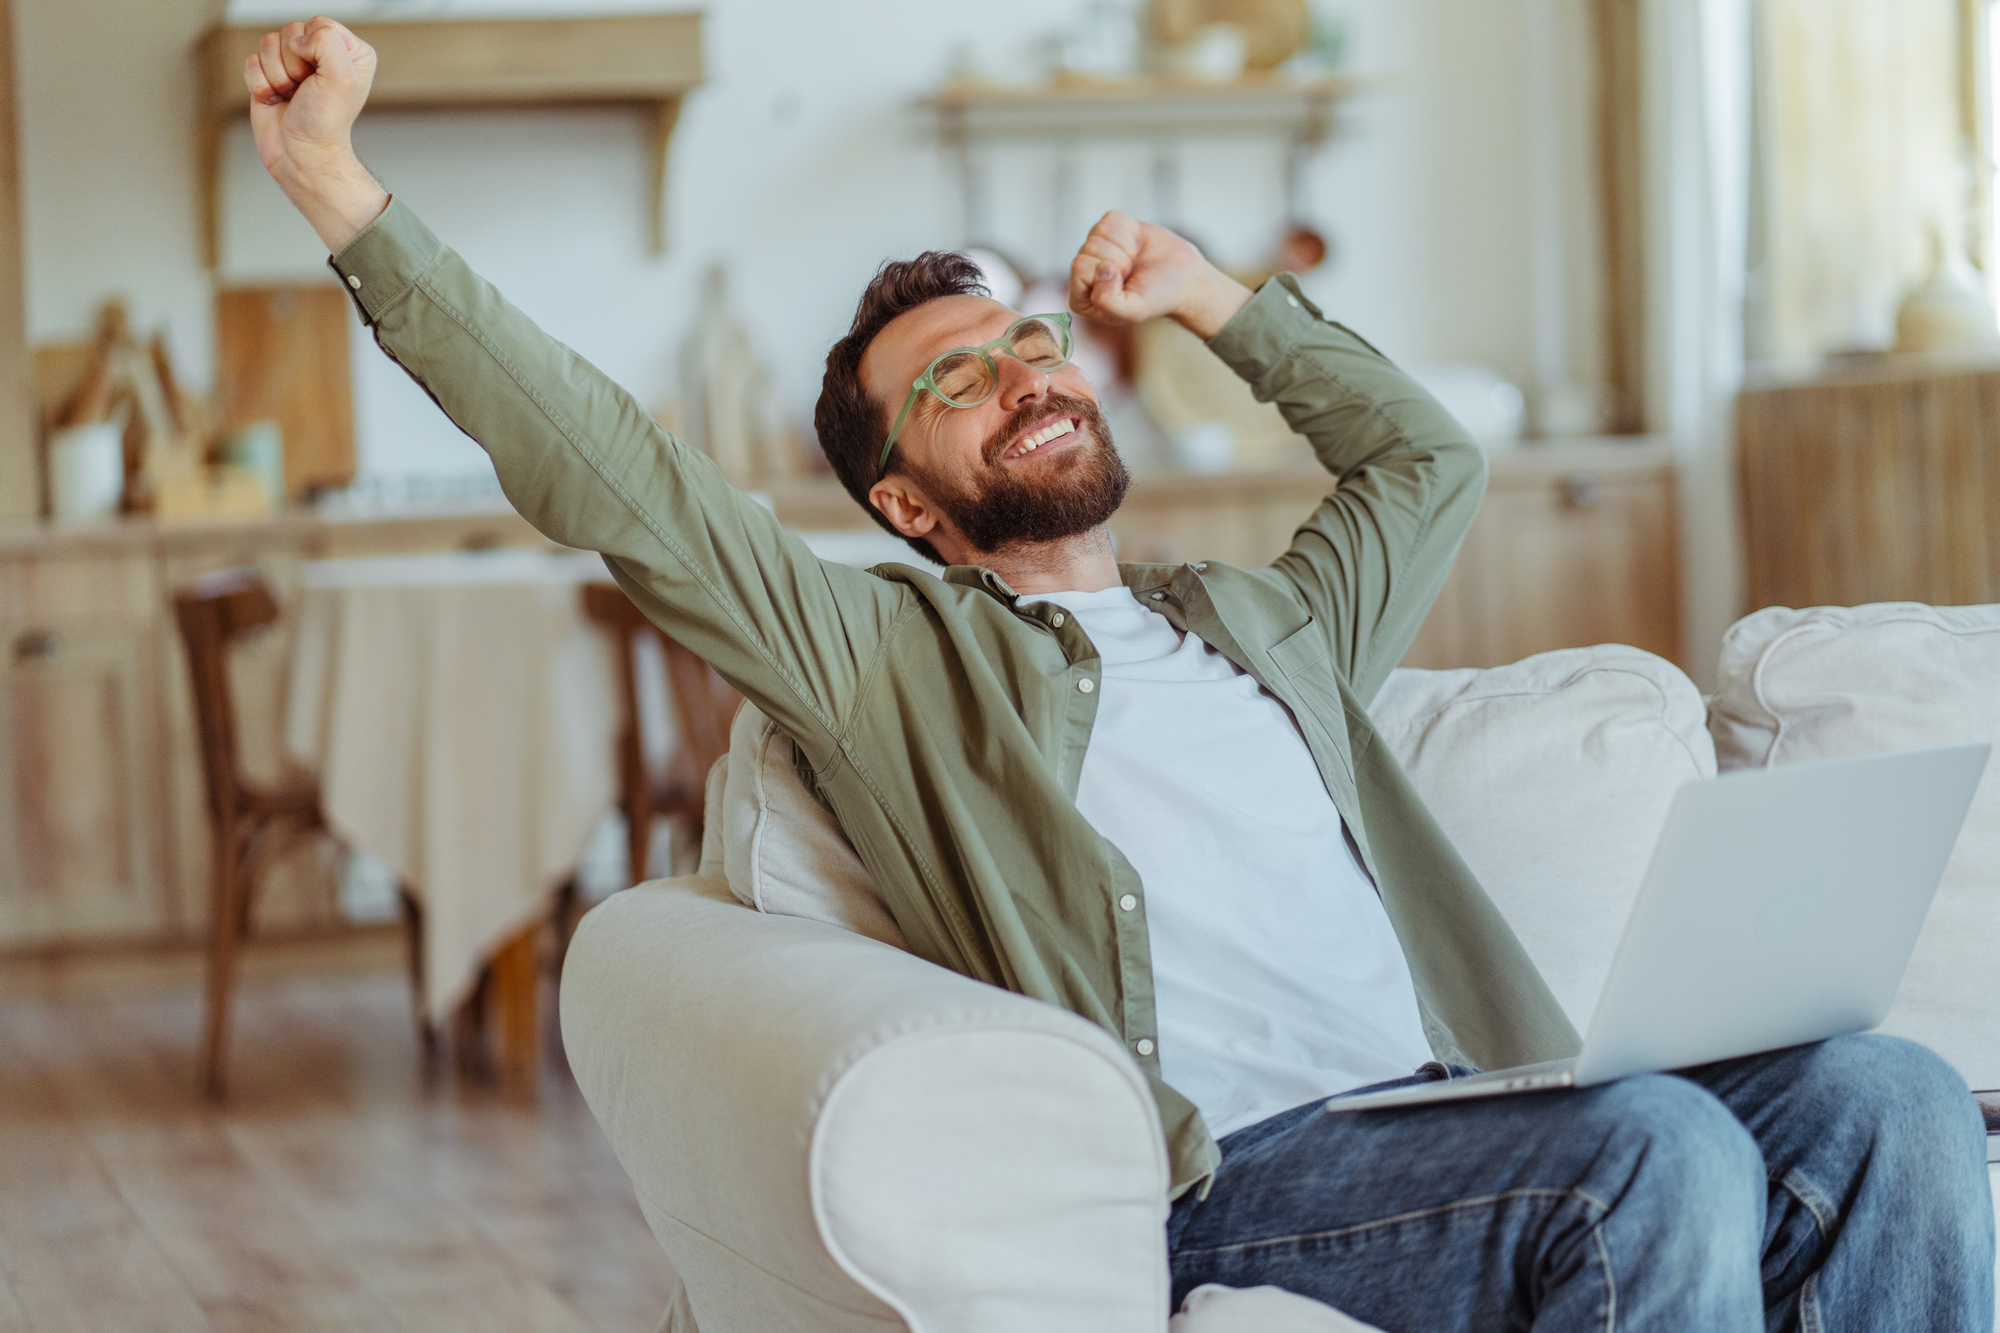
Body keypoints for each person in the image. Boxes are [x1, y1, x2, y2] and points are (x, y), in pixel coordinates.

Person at [245, 18, 1993, 1330]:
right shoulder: (893, 656)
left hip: (1471, 1110)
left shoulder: (1260, 619)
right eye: (956, 380)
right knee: (1663, 1156)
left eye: (1028, 338)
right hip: (1252, 1176)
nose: (1020, 370)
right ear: (908, 502)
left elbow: (1425, 463)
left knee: (1892, 1095)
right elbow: (612, 465)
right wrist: (338, 186)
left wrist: (1217, 298)